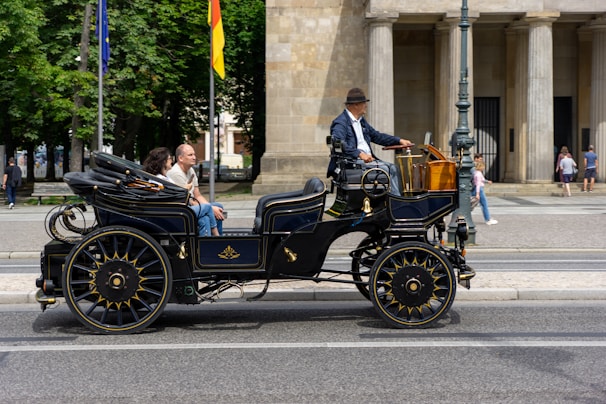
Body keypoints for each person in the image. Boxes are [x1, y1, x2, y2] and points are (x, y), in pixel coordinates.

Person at [327, 88, 413, 195]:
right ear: (356, 105)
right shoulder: (341, 122)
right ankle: (396, 203)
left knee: (392, 167)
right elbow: (337, 142)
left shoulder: (361, 121)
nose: (366, 106)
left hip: (365, 162)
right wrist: (359, 154)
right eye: (364, 103)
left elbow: (377, 136)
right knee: (392, 169)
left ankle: (394, 200)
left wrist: (399, 140)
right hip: (353, 164)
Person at [143, 147, 221, 237]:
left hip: (179, 207)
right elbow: (173, 196)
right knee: (207, 207)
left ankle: (207, 242)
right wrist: (185, 190)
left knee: (206, 217)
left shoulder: (164, 178)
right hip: (176, 210)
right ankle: (216, 236)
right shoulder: (160, 179)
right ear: (163, 161)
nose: (172, 161)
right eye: (169, 158)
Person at [167, 144, 225, 235]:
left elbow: (197, 195)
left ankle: (218, 242)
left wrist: (212, 208)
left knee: (218, 206)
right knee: (205, 217)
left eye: (194, 154)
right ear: (180, 158)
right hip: (185, 208)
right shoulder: (175, 173)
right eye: (190, 155)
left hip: (192, 204)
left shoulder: (191, 170)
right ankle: (214, 239)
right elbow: (188, 200)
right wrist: (210, 208)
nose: (194, 157)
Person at [473, 161, 498, 225]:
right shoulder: (478, 174)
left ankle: (488, 218)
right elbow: (478, 184)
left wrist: (487, 181)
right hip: (479, 189)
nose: (484, 168)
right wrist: (477, 193)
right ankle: (488, 219)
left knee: (481, 204)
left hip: (477, 189)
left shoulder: (476, 172)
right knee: (484, 204)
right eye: (483, 166)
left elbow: (482, 180)